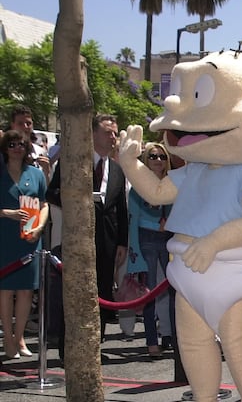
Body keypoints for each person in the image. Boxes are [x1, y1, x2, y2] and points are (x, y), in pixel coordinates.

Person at [46, 113, 129, 343]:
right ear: (93, 134)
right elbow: (52, 193)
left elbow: (121, 207)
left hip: (108, 240)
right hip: (77, 236)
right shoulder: (73, 162)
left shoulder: (117, 169)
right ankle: (67, 345)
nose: (112, 137)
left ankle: (96, 341)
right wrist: (79, 204)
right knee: (74, 290)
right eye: (107, 132)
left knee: (102, 288)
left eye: (115, 132)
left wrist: (123, 241)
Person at [0, 130, 49, 359]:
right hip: (5, 238)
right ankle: (8, 338)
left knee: (26, 291)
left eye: (20, 143)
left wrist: (40, 226)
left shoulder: (36, 174)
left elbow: (44, 204)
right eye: (11, 144)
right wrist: (6, 213)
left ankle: (20, 338)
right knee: (6, 291)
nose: (17, 147)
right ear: (5, 147)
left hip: (29, 239)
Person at [127, 142, 174, 357]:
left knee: (175, 290)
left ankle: (173, 337)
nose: (158, 160)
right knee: (150, 293)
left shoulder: (173, 182)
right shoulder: (138, 185)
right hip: (147, 239)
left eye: (162, 157)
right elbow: (134, 219)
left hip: (169, 239)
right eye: (153, 156)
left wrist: (170, 225)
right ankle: (151, 341)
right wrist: (133, 255)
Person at [9, 105, 50, 181]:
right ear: (13, 125)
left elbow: (45, 187)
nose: (25, 127)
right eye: (20, 123)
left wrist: (46, 171)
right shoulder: (6, 151)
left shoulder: (41, 152)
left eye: (28, 123)